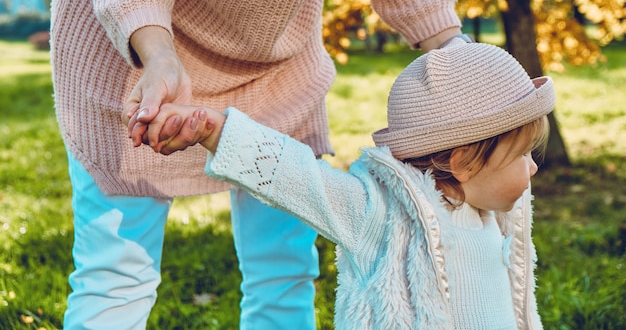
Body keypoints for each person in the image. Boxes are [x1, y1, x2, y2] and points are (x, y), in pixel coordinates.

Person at [49, 0, 467, 328]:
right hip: (138, 48)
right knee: (118, 277)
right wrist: (158, 55)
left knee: (284, 273)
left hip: (277, 65)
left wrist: (454, 51)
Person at [139, 41, 555, 330]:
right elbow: (299, 177)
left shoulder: (495, 216)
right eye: (523, 156)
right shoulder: (383, 214)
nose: (533, 170)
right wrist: (218, 133)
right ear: (463, 162)